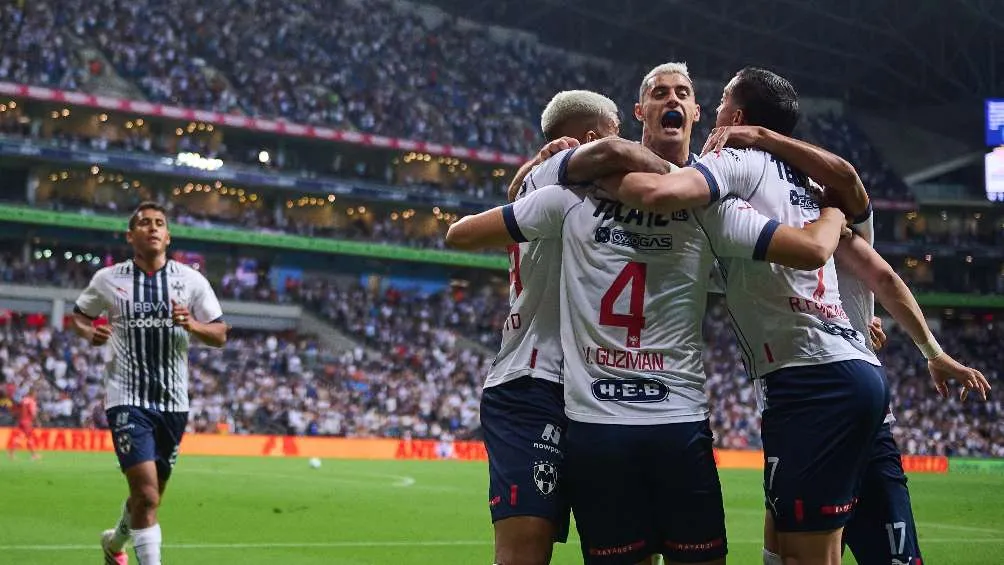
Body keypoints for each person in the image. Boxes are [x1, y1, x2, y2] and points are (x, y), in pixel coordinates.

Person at [604, 67, 989, 565]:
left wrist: (586, 159)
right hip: (862, 378)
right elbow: (881, 268)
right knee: (862, 550)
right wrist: (931, 352)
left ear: (730, 116)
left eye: (713, 99)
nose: (713, 110)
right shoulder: (815, 183)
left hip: (808, 381)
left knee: (805, 553)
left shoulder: (734, 162)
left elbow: (666, 194)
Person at [482, 89, 672, 565]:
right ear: (591, 140)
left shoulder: (562, 187)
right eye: (616, 133)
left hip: (596, 388)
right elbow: (615, 155)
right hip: (536, 382)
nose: (624, 145)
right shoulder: (556, 182)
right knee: (523, 554)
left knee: (627, 550)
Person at [70, 202, 228, 565]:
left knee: (148, 497)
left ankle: (113, 543)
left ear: (168, 236)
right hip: (126, 398)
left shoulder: (191, 281)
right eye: (144, 223)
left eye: (159, 223)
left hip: (174, 404)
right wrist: (89, 332)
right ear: (131, 236)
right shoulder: (108, 279)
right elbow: (79, 317)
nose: (152, 228)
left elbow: (220, 334)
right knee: (147, 496)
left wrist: (193, 326)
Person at [7, 388, 40, 460]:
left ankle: (11, 453)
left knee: (19, 437)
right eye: (36, 394)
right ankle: (34, 455)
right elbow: (33, 413)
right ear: (33, 394)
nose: (36, 396)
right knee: (29, 438)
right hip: (27, 422)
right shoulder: (31, 401)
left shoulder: (23, 400)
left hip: (21, 421)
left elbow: (17, 410)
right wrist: (37, 422)